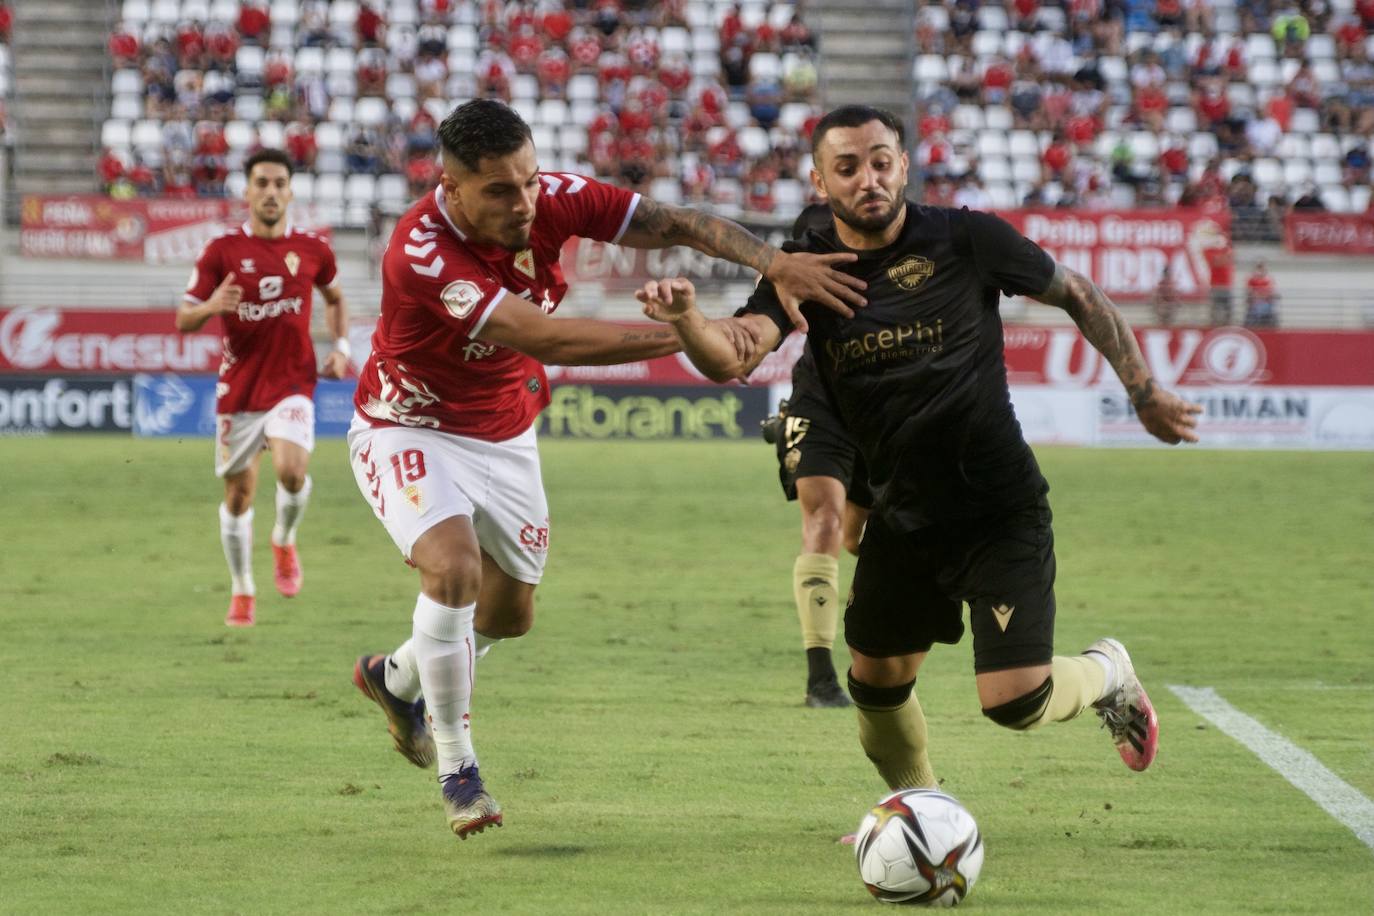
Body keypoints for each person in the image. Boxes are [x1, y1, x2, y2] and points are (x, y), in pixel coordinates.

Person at [637, 105, 1202, 798]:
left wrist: (1143, 392)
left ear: (904, 165)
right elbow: (738, 353)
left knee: (1014, 702)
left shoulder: (967, 239)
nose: (867, 179)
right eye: (847, 167)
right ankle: (923, 812)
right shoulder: (807, 260)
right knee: (875, 687)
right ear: (820, 180)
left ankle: (1108, 672)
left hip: (995, 506)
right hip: (903, 515)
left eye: (881, 161)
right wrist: (688, 320)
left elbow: (1079, 294)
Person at [346, 99, 866, 840]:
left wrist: (774, 263)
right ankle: (458, 769)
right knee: (454, 571)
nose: (524, 201)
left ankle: (394, 679)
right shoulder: (422, 250)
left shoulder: (551, 198)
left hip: (505, 433)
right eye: (499, 190)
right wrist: (687, 332)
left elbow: (674, 223)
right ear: (450, 186)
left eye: (527, 180)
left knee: (508, 614)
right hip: (410, 426)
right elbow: (546, 337)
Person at [176, 148, 350, 627]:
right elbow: (183, 319)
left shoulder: (314, 249)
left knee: (292, 472)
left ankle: (284, 540)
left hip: (294, 383)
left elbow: (335, 297)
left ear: (290, 191)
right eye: (262, 183)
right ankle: (243, 590)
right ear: (248, 191)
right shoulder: (221, 252)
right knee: (238, 497)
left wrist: (341, 344)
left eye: (279, 183)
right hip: (240, 392)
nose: (271, 192)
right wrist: (212, 304)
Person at [760, 203, 871, 708]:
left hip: (885, 411)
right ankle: (821, 679)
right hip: (820, 403)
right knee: (823, 520)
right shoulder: (806, 246)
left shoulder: (908, 253)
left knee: (857, 537)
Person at [1245, 261, 1280, 327]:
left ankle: (1270, 326)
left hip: (1266, 303)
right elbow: (1250, 292)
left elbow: (1270, 292)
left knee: (1272, 311)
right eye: (1259, 269)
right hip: (1255, 303)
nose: (1260, 271)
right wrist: (1257, 296)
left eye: (1262, 269)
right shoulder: (1251, 280)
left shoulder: (1269, 279)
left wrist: (1263, 295)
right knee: (1252, 312)